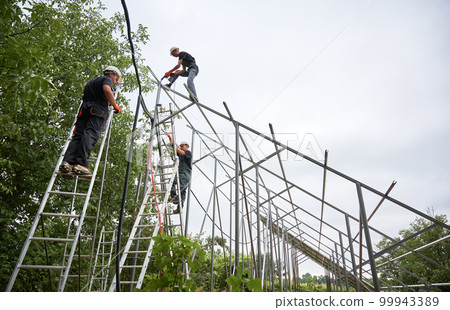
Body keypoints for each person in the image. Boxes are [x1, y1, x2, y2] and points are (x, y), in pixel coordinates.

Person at [59, 66, 122, 176]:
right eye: (116, 79)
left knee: (78, 136)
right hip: (97, 112)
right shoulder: (106, 79)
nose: (115, 83)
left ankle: (67, 163)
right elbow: (107, 89)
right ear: (111, 74)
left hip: (84, 111)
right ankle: (81, 164)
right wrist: (114, 105)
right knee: (90, 135)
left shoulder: (91, 81)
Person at [168, 135, 192, 214]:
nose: (181, 147)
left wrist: (176, 147)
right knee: (172, 183)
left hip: (185, 175)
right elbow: (174, 147)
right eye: (180, 146)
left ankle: (176, 200)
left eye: (182, 146)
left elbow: (180, 151)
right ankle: (176, 200)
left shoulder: (188, 152)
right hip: (180, 174)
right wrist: (170, 138)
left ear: (187, 146)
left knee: (181, 189)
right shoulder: (181, 154)